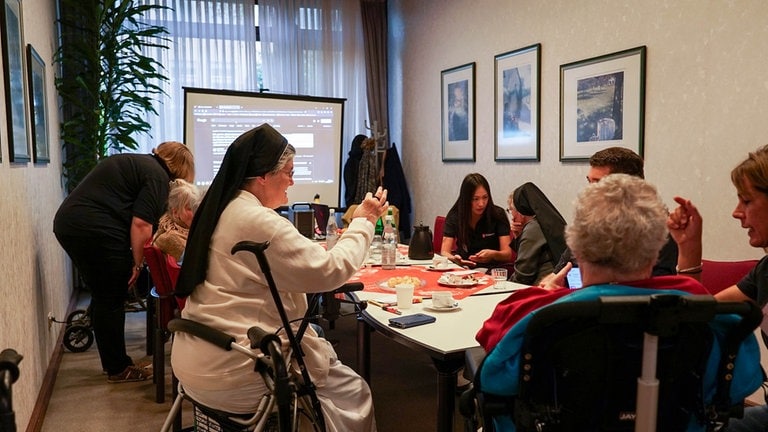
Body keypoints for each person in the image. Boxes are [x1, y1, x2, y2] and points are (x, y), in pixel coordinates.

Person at [474, 174, 761, 431]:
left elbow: (492, 379)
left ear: (576, 246)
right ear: (656, 249)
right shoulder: (696, 310)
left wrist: (546, 293)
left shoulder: (537, 312)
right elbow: (742, 382)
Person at [171, 124, 385, 431]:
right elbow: (331, 270)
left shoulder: (221, 208)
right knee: (355, 393)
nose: (292, 181)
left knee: (317, 342)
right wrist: (363, 222)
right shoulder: (257, 219)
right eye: (288, 172)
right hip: (236, 368)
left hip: (194, 356)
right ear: (263, 176)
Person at [53, 141, 195, 383]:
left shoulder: (142, 165)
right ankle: (118, 368)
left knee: (104, 293)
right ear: (181, 167)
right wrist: (138, 264)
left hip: (72, 223)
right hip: (92, 228)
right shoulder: (157, 176)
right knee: (112, 295)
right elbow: (141, 224)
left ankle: (115, 364)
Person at [668, 145, 768, 431]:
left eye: (747, 201)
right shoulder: (766, 270)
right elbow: (699, 316)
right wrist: (689, 248)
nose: (736, 213)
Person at [538, 146, 678, 288]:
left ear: (626, 187)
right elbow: (560, 272)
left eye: (598, 184)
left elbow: (658, 291)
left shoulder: (656, 229)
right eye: (589, 182)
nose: (589, 191)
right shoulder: (589, 221)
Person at [441, 173, 512, 270]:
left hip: (491, 269)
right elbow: (444, 252)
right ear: (466, 199)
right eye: (475, 199)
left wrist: (493, 254)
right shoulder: (455, 215)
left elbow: (507, 254)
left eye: (485, 197)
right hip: (463, 267)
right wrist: (454, 259)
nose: (481, 204)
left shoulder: (497, 215)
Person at [508, 182, 567, 285]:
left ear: (521, 211)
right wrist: (518, 236)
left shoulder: (533, 228)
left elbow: (522, 275)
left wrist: (504, 286)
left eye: (511, 210)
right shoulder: (547, 221)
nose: (512, 216)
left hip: (541, 287)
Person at [152, 179, 202, 262]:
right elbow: (199, 263)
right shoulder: (170, 238)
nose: (196, 212)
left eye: (197, 207)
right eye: (190, 209)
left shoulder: (184, 229)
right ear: (176, 212)